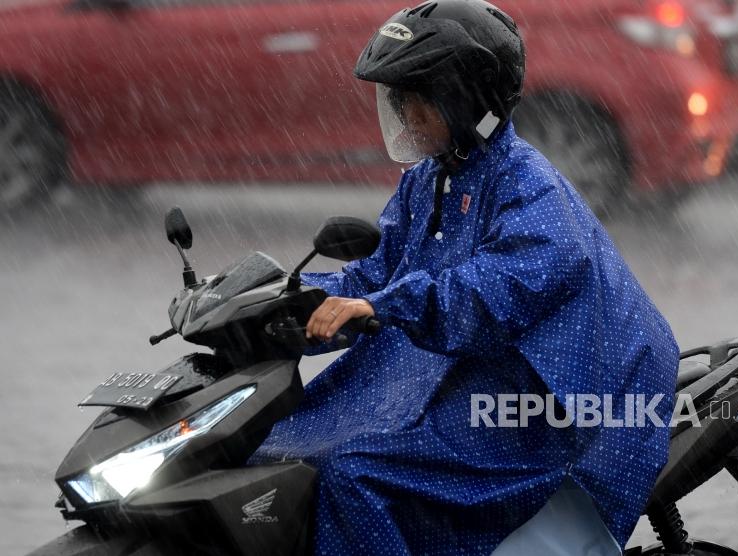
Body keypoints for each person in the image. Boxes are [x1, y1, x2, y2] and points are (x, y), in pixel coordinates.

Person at [249, 1, 680, 554]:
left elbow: (497, 289)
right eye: (396, 101)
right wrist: (282, 301)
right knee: (281, 450)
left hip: (556, 401)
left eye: (414, 101)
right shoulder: (430, 178)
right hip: (473, 373)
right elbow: (375, 275)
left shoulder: (530, 187)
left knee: (356, 472)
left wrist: (388, 308)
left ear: (464, 99)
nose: (402, 116)